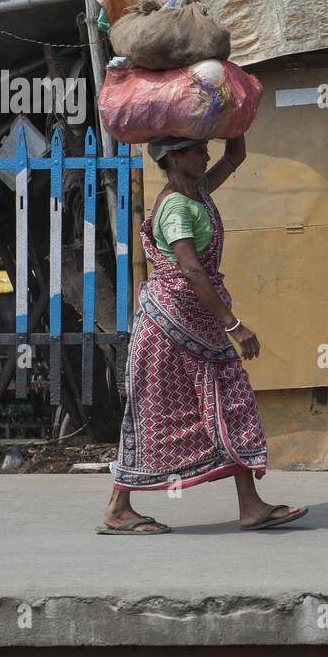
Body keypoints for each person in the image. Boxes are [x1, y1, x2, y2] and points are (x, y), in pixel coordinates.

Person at [98, 134, 306, 535]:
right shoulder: (176, 206)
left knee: (231, 404)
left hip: (198, 324)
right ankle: (117, 509)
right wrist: (233, 324)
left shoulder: (199, 189)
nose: (206, 155)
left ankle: (251, 506)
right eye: (198, 150)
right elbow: (191, 270)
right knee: (153, 415)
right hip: (170, 328)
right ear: (174, 158)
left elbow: (236, 153)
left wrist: (232, 116)